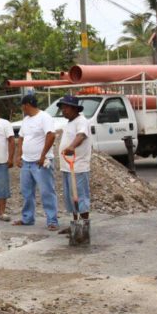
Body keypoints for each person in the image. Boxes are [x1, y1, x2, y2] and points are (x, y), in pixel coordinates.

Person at [14, 94, 59, 230]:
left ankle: (52, 221)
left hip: (41, 161)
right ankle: (27, 218)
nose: (22, 108)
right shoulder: (26, 120)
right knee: (26, 191)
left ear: (26, 105)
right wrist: (19, 155)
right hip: (26, 162)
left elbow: (51, 135)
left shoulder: (45, 117)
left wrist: (43, 155)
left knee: (47, 191)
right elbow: (21, 137)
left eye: (22, 106)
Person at [57, 95, 91, 235]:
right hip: (67, 167)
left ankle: (83, 227)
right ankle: (75, 224)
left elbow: (81, 136)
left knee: (80, 198)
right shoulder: (69, 123)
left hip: (78, 167)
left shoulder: (82, 121)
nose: (63, 110)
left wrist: (71, 147)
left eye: (66, 107)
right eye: (62, 108)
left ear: (74, 108)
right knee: (72, 199)